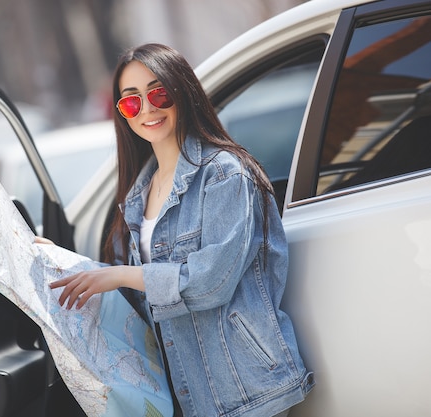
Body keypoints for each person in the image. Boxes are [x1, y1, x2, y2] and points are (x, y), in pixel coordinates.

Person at [49, 43, 314, 417]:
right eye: (131, 102)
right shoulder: (139, 193)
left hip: (247, 391)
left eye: (158, 92)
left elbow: (211, 282)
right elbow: (139, 296)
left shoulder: (225, 173)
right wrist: (53, 258)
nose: (148, 108)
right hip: (191, 397)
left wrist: (122, 274)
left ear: (182, 91)